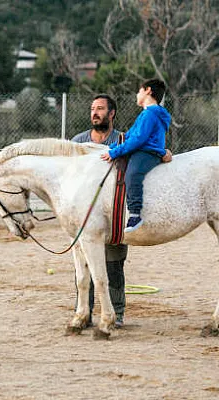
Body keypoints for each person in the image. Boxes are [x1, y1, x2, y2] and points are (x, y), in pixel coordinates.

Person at [71, 94, 128, 328]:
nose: (95, 113)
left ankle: (118, 314)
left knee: (114, 267)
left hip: (113, 214)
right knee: (86, 267)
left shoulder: (122, 139)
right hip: (86, 216)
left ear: (111, 114)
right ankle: (85, 313)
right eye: (93, 108)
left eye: (100, 108)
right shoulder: (78, 142)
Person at [101, 79, 172, 233]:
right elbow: (128, 136)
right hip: (141, 149)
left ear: (148, 91)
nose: (136, 94)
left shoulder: (150, 114)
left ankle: (135, 214)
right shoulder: (146, 114)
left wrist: (114, 152)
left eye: (139, 91)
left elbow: (138, 139)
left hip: (147, 153)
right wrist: (108, 148)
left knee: (132, 174)